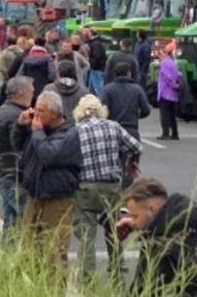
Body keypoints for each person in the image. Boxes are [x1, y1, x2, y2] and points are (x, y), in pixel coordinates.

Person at [117, 178, 197, 297]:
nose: (132, 222)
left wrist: (140, 235)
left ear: (151, 210)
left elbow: (143, 289)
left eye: (135, 216)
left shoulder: (158, 239)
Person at [71, 94, 142, 284]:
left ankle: (87, 276)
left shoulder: (75, 131)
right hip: (111, 187)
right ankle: (118, 265)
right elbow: (136, 146)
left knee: (87, 235)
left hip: (85, 187)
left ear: (79, 112)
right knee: (113, 227)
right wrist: (130, 163)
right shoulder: (113, 126)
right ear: (100, 110)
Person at [13, 90, 81, 283]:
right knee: (29, 247)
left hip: (57, 200)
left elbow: (49, 155)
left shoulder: (70, 133)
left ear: (55, 113)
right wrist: (20, 125)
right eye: (36, 109)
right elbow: (16, 145)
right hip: (34, 197)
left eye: (41, 111)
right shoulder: (37, 130)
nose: (37, 114)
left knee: (54, 251)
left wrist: (37, 133)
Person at [0, 76, 34, 237]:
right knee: (27, 216)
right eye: (31, 90)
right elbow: (18, 144)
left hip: (5, 170)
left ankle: (9, 255)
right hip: (14, 174)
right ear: (22, 92)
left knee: (11, 219)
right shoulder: (17, 116)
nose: (33, 93)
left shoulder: (4, 110)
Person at [101, 61, 150, 140]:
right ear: (128, 74)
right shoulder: (137, 89)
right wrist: (136, 116)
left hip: (113, 130)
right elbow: (146, 110)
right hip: (131, 129)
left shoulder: (108, 89)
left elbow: (103, 110)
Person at [42, 60, 90, 125]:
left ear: (58, 73)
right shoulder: (84, 91)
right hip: (77, 129)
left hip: (54, 129)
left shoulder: (48, 90)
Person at [156, 41, 181, 140]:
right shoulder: (173, 63)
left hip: (165, 93)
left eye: (163, 52)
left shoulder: (165, 63)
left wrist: (173, 85)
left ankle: (165, 133)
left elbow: (167, 77)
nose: (160, 55)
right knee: (172, 115)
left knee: (165, 115)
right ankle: (175, 133)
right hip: (173, 94)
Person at [84, 27, 107, 96]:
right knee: (91, 88)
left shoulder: (95, 43)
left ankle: (102, 102)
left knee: (99, 88)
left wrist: (91, 64)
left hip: (96, 68)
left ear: (90, 33)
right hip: (96, 68)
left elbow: (96, 56)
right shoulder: (98, 42)